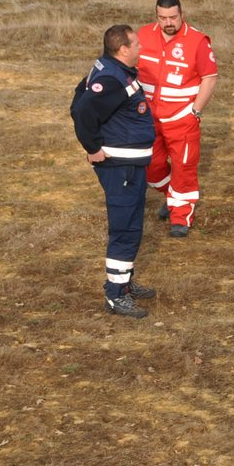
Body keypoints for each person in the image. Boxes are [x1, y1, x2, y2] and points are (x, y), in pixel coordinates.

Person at [71, 24, 157, 319]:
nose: (140, 48)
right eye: (136, 45)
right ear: (123, 49)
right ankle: (114, 295)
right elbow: (83, 110)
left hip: (130, 165)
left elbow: (78, 97)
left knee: (132, 226)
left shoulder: (112, 70)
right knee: (125, 228)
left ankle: (124, 282)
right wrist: (93, 147)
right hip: (121, 166)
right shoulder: (110, 78)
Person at [137, 0, 217, 237]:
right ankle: (172, 195)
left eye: (172, 17)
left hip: (182, 118)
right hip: (148, 118)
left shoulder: (197, 41)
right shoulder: (142, 36)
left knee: (183, 167)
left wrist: (196, 111)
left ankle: (180, 217)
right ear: (156, 16)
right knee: (152, 166)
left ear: (182, 15)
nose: (168, 22)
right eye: (163, 18)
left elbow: (209, 77)